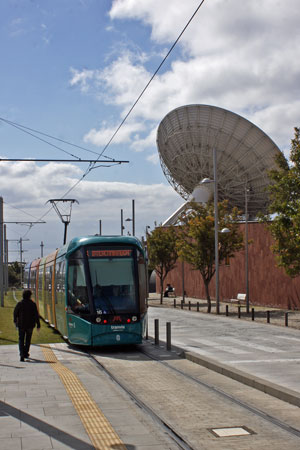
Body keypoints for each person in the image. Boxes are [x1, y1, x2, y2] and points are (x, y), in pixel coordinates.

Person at [13, 289, 40, 361]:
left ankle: (22, 354)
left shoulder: (20, 303)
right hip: (30, 325)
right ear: (30, 296)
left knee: (21, 339)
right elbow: (36, 315)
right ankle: (26, 352)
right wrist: (38, 324)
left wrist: (15, 321)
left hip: (21, 324)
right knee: (28, 339)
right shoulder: (33, 304)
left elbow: (15, 313)